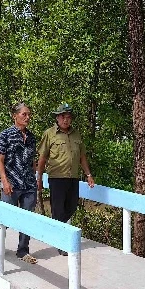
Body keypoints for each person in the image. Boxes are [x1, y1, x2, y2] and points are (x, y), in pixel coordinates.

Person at [36, 103, 95, 256]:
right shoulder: (49, 134)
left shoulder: (76, 134)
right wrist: (39, 178)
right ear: (57, 118)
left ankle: (54, 229)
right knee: (58, 209)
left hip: (73, 177)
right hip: (57, 178)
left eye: (68, 117)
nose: (66, 120)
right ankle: (61, 242)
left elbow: (82, 157)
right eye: (63, 116)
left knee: (72, 206)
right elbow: (42, 158)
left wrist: (88, 175)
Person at [0, 102, 38, 264]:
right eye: (24, 114)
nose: (27, 117)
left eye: (29, 114)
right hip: (11, 183)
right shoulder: (5, 135)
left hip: (29, 184)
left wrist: (36, 179)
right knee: (6, 216)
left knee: (27, 218)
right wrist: (4, 181)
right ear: (15, 116)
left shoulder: (32, 137)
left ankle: (23, 250)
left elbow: (33, 160)